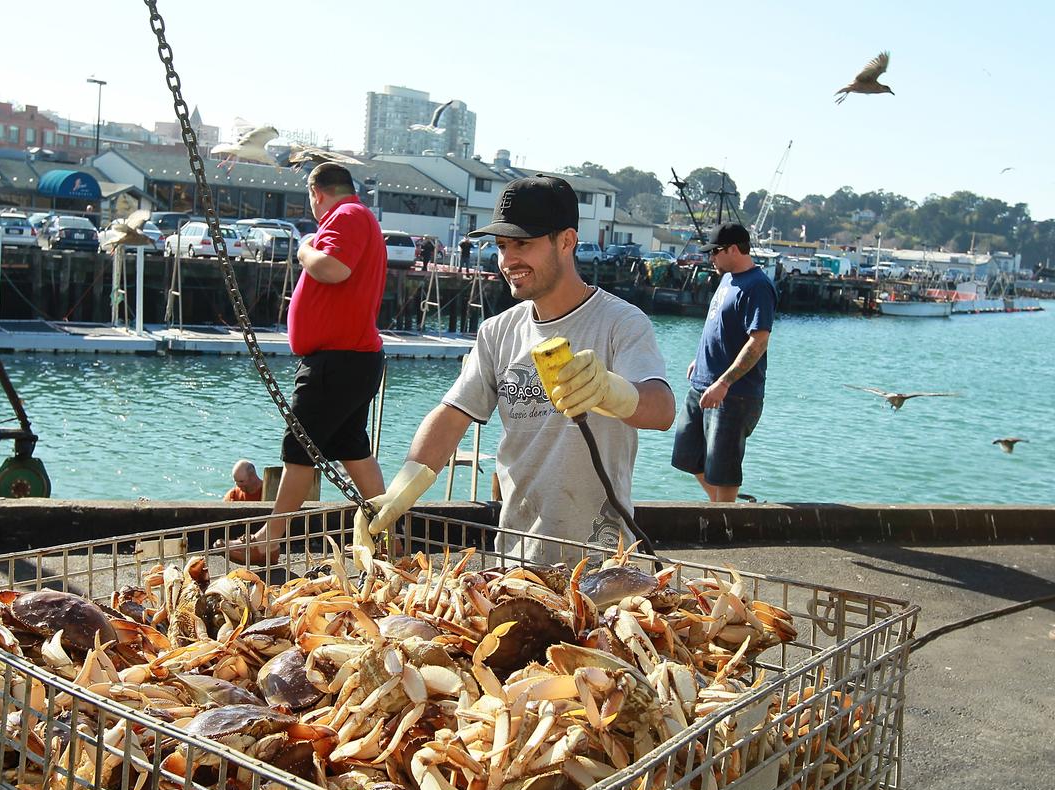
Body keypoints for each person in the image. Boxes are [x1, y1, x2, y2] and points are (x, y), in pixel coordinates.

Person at [356, 175, 676, 563]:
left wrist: (612, 391)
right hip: (516, 555)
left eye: (523, 243)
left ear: (567, 241)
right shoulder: (497, 332)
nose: (508, 260)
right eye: (502, 246)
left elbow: (662, 410)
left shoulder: (621, 322)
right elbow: (450, 416)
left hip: (602, 556)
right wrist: (401, 489)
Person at [250, 162, 388, 563]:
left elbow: (333, 268)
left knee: (300, 447)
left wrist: (305, 246)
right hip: (352, 357)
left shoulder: (344, 215)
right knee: (352, 448)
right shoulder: (358, 217)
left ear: (317, 192)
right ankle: (384, 536)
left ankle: (268, 540)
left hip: (338, 359)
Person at [671, 223, 776, 502]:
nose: (711, 257)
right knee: (687, 457)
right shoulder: (727, 278)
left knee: (724, 472)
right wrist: (700, 359)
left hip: (734, 394)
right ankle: (720, 506)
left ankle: (725, 520)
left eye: (715, 251)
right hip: (702, 383)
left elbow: (758, 342)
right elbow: (719, 327)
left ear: (733, 249)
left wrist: (724, 382)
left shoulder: (758, 287)